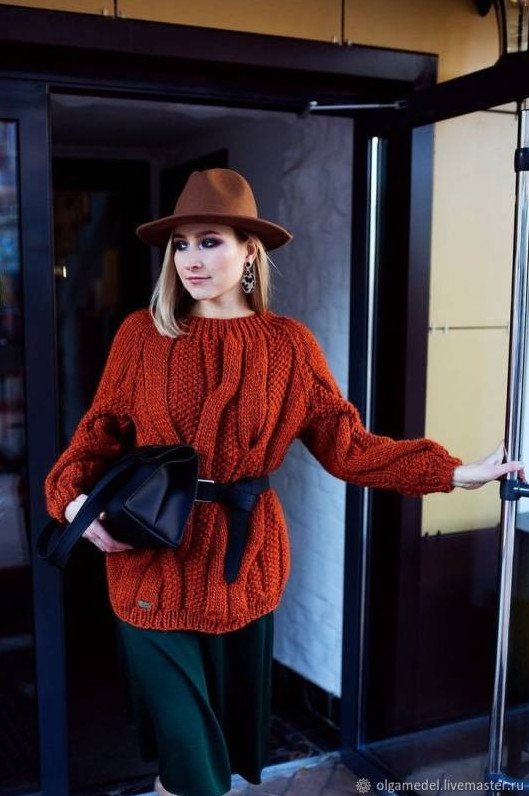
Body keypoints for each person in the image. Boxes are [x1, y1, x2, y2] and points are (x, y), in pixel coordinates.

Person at [44, 167, 524, 796]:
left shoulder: (289, 347)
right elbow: (95, 436)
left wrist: (455, 472)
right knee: (190, 750)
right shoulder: (142, 335)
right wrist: (74, 503)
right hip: (149, 565)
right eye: (181, 244)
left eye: (210, 241)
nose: (191, 259)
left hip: (241, 566)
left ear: (250, 251)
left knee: (207, 754)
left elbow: (348, 446)